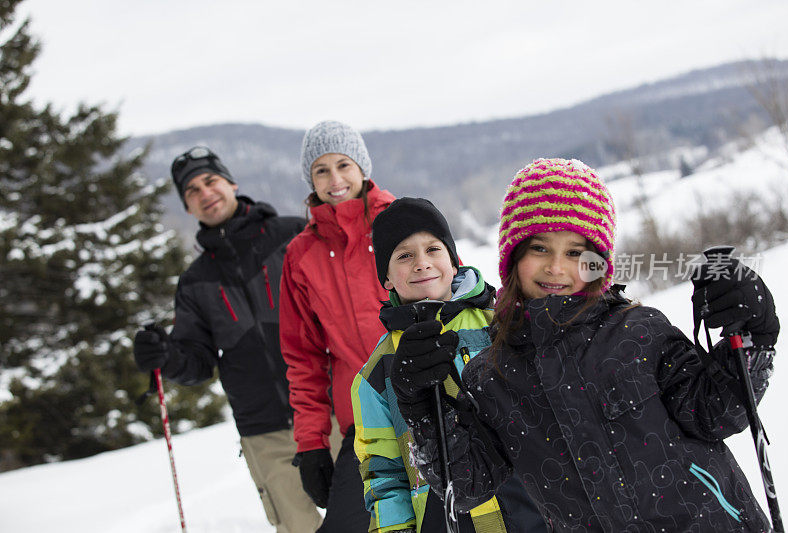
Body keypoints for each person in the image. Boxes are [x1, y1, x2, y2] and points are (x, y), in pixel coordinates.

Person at [390, 158, 779, 532]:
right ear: (513, 257)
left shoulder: (639, 331)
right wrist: (422, 406)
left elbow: (716, 412)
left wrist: (753, 337)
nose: (556, 267)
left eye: (575, 252)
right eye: (539, 248)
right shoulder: (492, 375)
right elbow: (468, 485)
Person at [132, 147, 321, 532]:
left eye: (210, 181)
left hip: (330, 411)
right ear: (187, 207)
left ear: (231, 183)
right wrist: (165, 355)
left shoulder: (292, 236)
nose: (205, 193)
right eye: (192, 191)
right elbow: (197, 361)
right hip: (265, 432)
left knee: (372, 520)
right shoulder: (195, 282)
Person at [351, 197, 546, 532]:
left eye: (433, 249)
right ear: (386, 277)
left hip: (537, 508)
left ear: (455, 261)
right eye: (404, 255)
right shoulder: (375, 376)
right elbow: (383, 473)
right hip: (450, 521)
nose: (421, 263)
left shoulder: (502, 324)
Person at [280, 121, 395, 532]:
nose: (335, 180)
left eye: (343, 165)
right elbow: (303, 358)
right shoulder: (301, 254)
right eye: (321, 170)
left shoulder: (399, 222)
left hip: (429, 403)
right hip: (363, 423)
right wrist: (312, 444)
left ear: (362, 166)